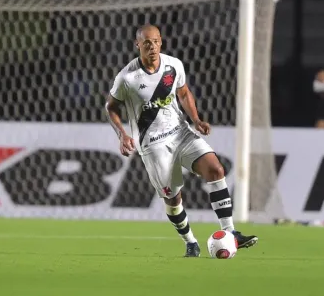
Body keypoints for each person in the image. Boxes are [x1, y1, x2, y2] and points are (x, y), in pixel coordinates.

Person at [105, 24, 258, 257]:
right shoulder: (127, 77)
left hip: (181, 133)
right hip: (152, 144)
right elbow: (111, 106)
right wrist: (122, 134)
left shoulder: (173, 65)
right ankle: (190, 241)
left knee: (216, 170)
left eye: (155, 41)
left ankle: (231, 232)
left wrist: (195, 119)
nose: (152, 46)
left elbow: (183, 93)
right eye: (146, 42)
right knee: (173, 197)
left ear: (161, 42)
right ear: (138, 45)